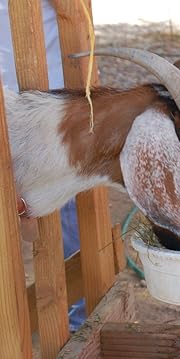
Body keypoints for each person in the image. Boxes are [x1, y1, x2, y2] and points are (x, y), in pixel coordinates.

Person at [1, 0, 86, 332]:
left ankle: (76, 322)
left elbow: (75, 13)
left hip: (50, 105)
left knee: (62, 215)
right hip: (12, 101)